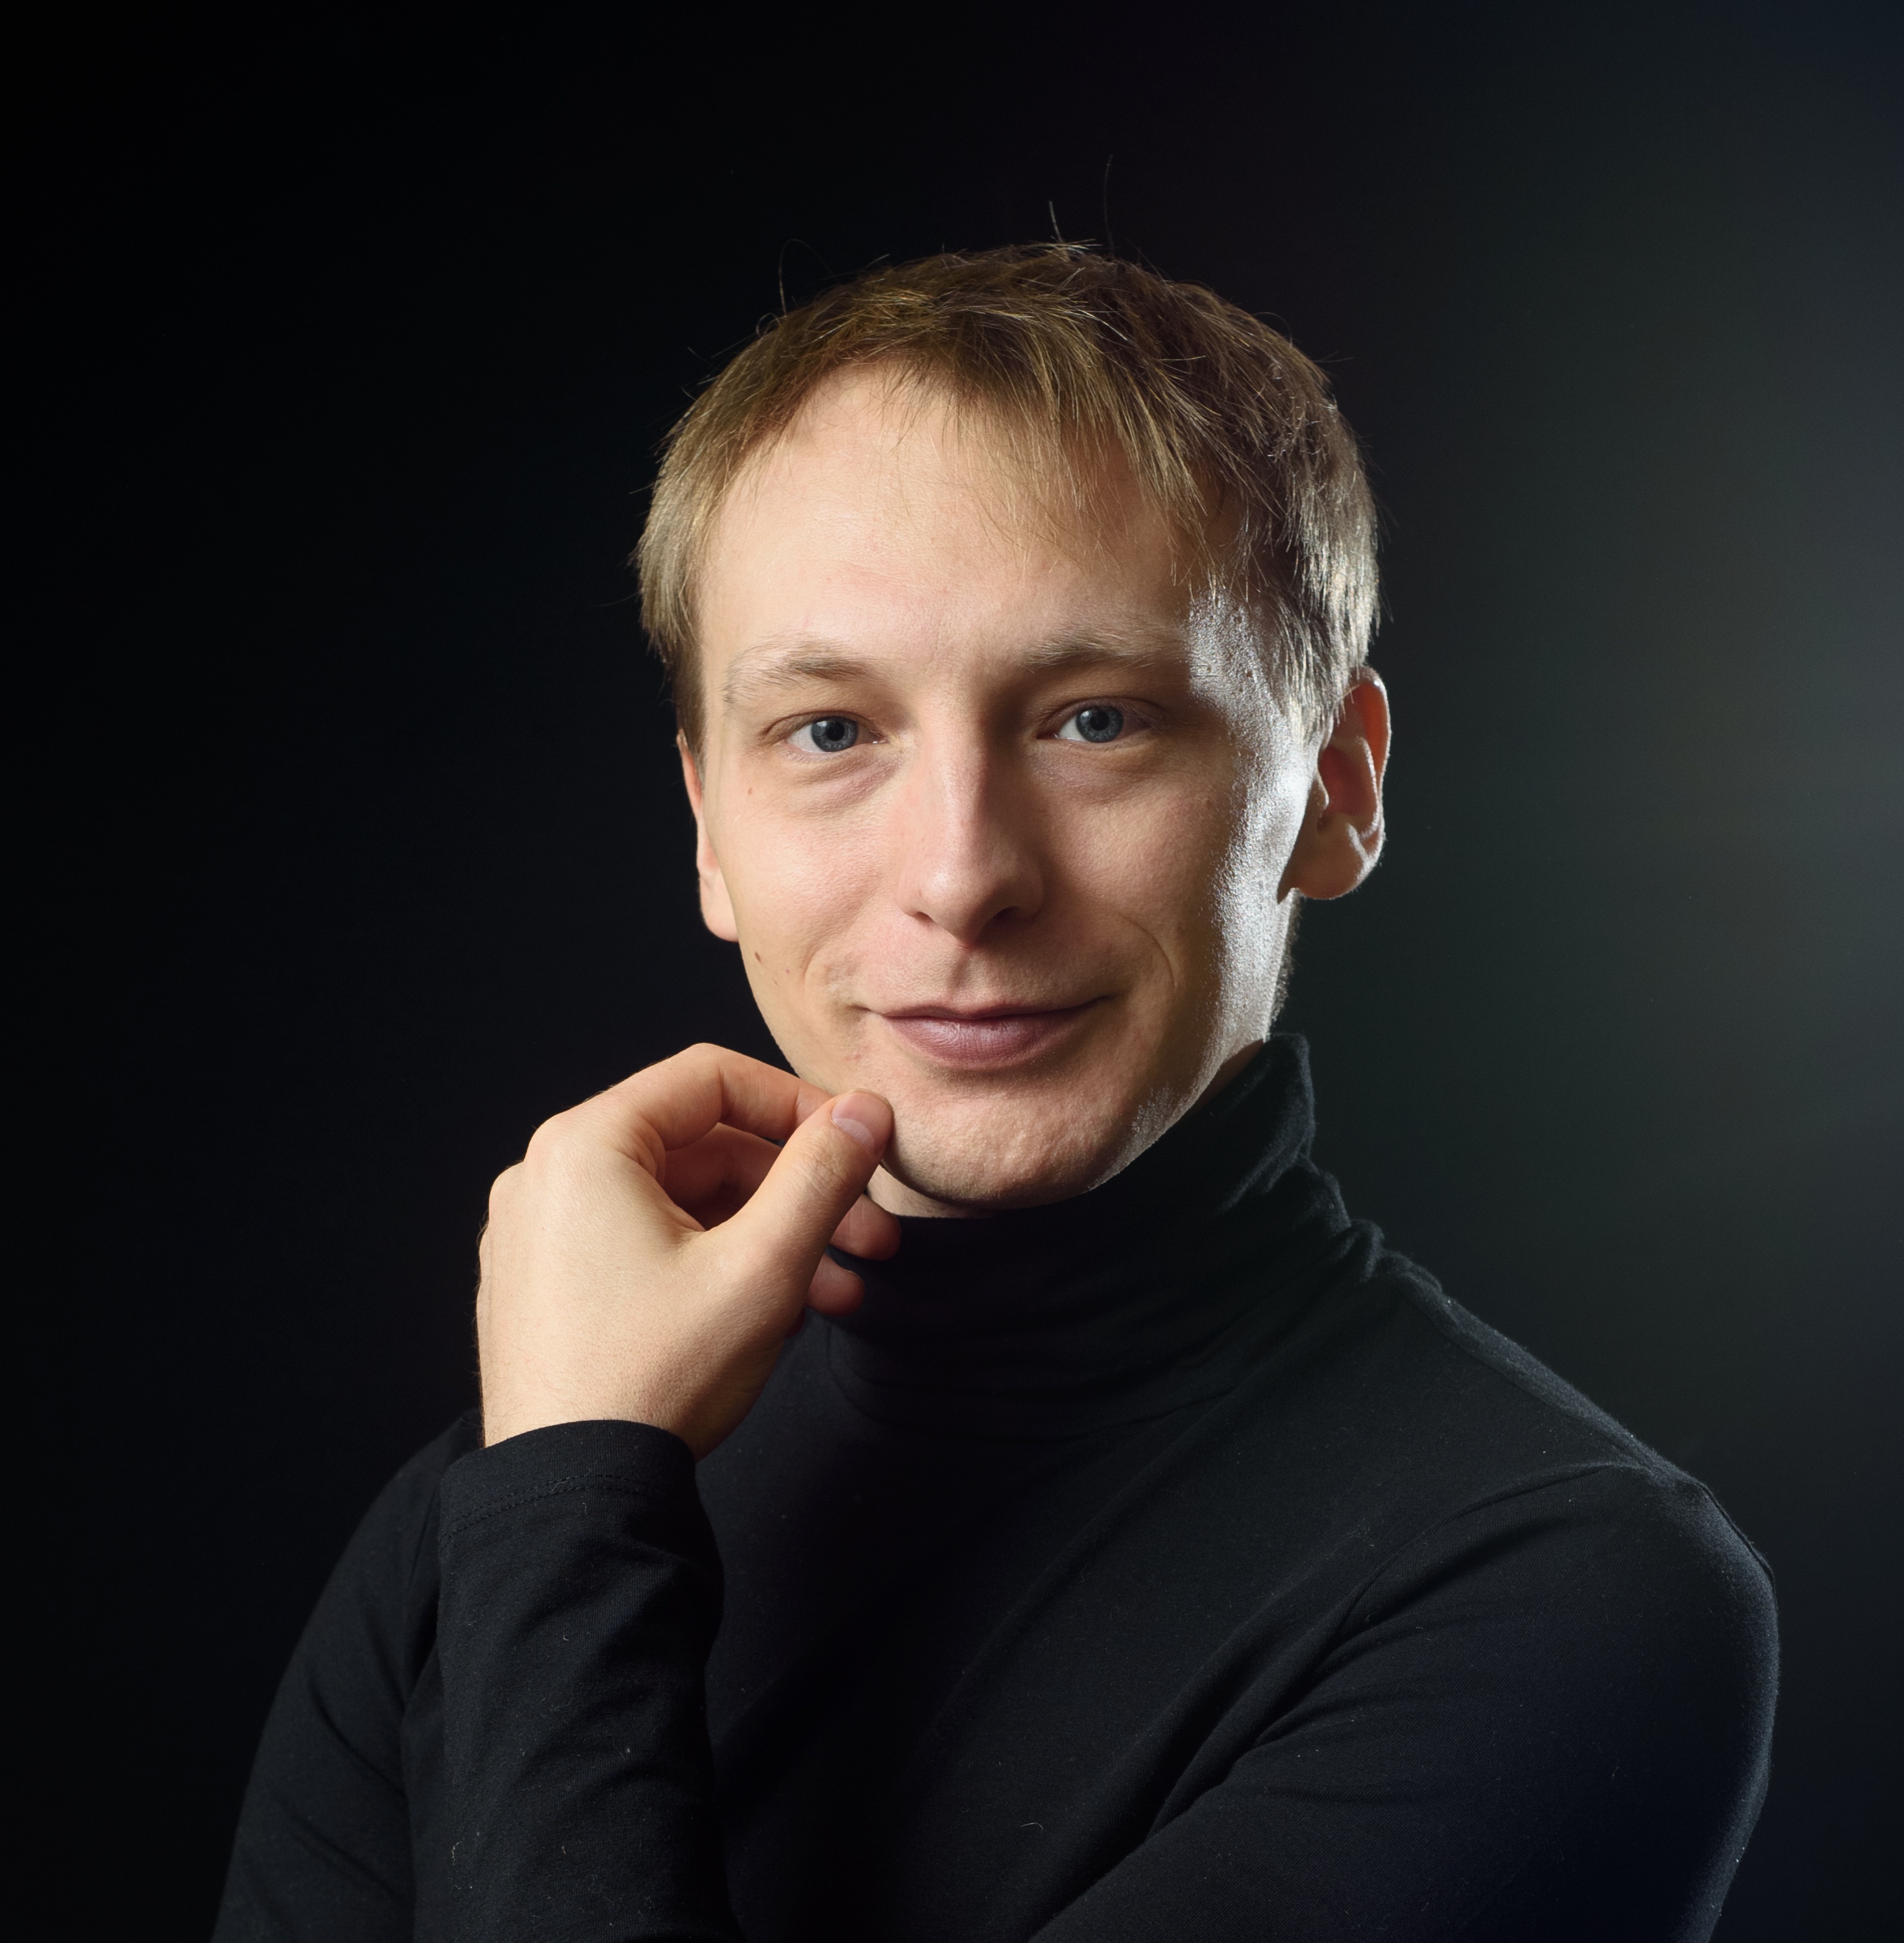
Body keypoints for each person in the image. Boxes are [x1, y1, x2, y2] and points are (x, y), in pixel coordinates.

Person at [214, 245, 1776, 1943]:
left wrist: (572, 1509)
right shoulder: (509, 1502)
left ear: (1335, 787)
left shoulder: (1565, 1595)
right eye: (830, 732)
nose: (961, 879)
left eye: (1095, 720)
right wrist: (566, 1490)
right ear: (708, 827)